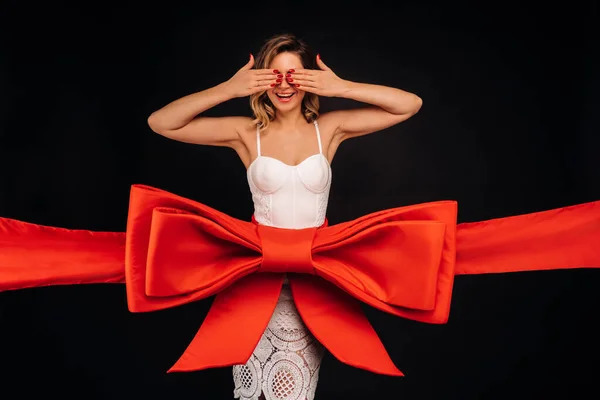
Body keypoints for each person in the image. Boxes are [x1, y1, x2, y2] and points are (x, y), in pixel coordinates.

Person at [147, 33, 423, 400]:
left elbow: (409, 104)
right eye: (273, 75)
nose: (284, 85)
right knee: (250, 393)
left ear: (309, 79)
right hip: (256, 279)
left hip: (313, 281)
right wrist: (228, 89)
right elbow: (162, 122)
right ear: (260, 81)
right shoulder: (246, 133)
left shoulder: (329, 129)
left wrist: (341, 87)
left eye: (294, 75)